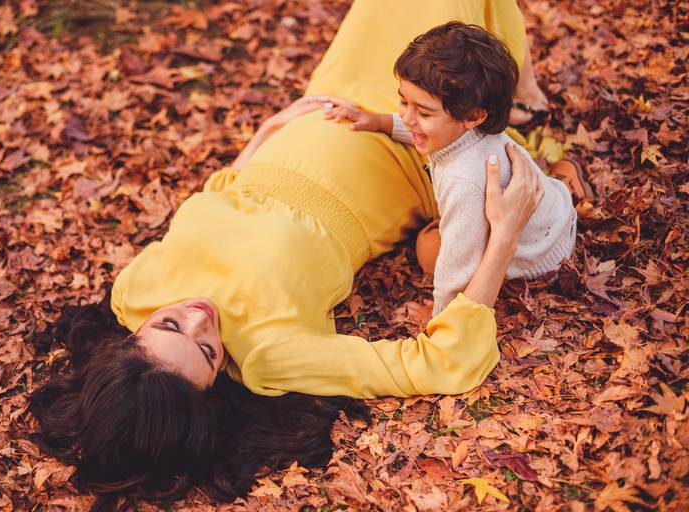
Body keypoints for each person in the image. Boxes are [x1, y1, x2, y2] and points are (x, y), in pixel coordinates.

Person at [29, 1, 545, 508]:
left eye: (169, 326)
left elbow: (216, 200)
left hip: (343, 105)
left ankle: (518, 89)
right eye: (208, 351)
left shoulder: (135, 292)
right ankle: (518, 100)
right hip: (414, 147)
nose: (199, 317)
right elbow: (439, 363)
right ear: (212, 391)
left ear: (131, 339)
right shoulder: (269, 355)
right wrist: (503, 235)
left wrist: (267, 132)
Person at [323, 22, 577, 317]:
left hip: (537, 263)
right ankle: (568, 177)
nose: (407, 116)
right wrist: (380, 122)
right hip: (554, 216)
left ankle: (568, 180)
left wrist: (439, 315)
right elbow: (431, 133)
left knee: (429, 248)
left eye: (424, 112)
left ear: (472, 117)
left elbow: (457, 264)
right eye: (404, 101)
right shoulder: (470, 127)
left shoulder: (463, 181)